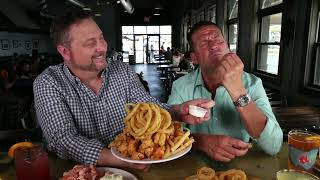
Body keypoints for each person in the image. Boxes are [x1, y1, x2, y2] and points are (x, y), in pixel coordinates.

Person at [33, 10, 214, 170]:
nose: (102, 47)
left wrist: (177, 111)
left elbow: (148, 107)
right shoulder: (49, 83)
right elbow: (62, 140)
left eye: (101, 38)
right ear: (65, 52)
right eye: (90, 43)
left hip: (133, 168)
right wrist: (118, 159)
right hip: (78, 171)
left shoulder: (121, 70)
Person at [168, 21, 283, 162]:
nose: (214, 45)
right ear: (194, 58)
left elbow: (274, 145)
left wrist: (238, 90)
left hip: (239, 166)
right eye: (204, 43)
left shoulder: (253, 84)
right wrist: (201, 142)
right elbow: (168, 135)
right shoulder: (181, 86)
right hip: (193, 165)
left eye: (218, 40)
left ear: (228, 47)